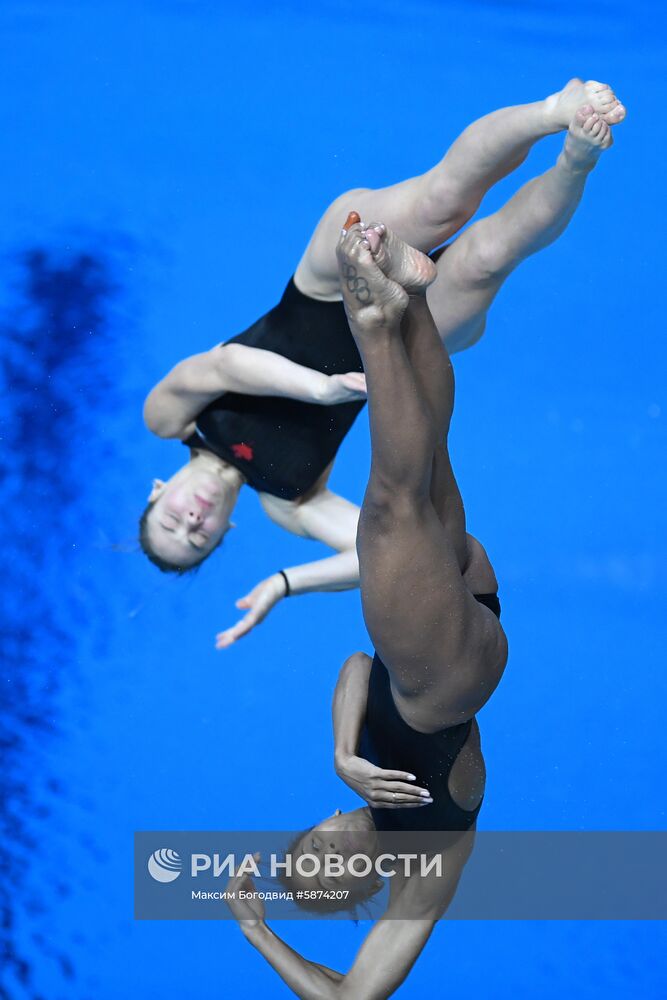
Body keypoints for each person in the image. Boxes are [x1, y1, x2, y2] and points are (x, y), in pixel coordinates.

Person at [141, 81, 623, 649]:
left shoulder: (169, 420)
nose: (191, 521)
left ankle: (555, 110)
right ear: (225, 532)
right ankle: (577, 158)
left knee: (441, 202)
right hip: (398, 338)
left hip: (323, 285)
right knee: (489, 257)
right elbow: (376, 555)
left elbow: (225, 366)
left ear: (157, 489)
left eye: (170, 520)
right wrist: (285, 582)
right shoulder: (291, 501)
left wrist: (319, 390)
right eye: (198, 539)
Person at [224, 222, 508, 998]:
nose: (325, 844)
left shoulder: (361, 771)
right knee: (387, 502)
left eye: (309, 843)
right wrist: (257, 930)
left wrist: (342, 754)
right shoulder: (422, 881)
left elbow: (354, 666)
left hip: (456, 621)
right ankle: (372, 317)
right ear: (355, 889)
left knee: (427, 460)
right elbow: (350, 998)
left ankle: (409, 297)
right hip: (438, 673)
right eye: (323, 869)